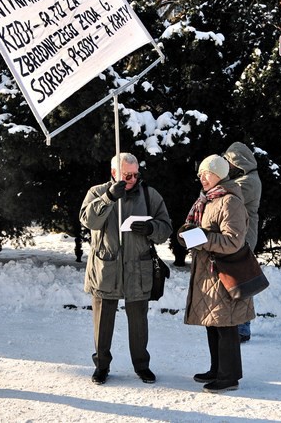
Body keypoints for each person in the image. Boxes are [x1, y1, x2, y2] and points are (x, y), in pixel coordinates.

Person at [79, 152, 172, 385]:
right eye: (126, 174)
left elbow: (166, 227)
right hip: (106, 266)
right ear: (114, 173)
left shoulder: (149, 195)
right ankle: (101, 366)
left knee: (139, 321)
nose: (131, 179)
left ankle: (142, 366)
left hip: (137, 268)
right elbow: (88, 220)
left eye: (134, 174)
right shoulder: (97, 192)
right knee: (102, 321)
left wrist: (151, 228)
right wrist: (109, 198)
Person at [177, 154, 254, 393]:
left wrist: (200, 238)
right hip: (209, 272)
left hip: (224, 271)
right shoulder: (206, 200)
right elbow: (200, 230)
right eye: (200, 174)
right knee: (213, 322)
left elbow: (233, 240)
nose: (202, 178)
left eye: (206, 173)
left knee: (226, 324)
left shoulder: (230, 201)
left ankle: (229, 377)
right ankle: (217, 369)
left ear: (219, 175)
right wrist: (186, 233)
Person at [223, 142, 262, 343]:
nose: (227, 166)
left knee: (242, 281)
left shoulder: (248, 182)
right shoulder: (245, 179)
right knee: (239, 280)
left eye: (229, 162)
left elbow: (226, 197)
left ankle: (242, 327)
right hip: (242, 235)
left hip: (244, 237)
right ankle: (239, 325)